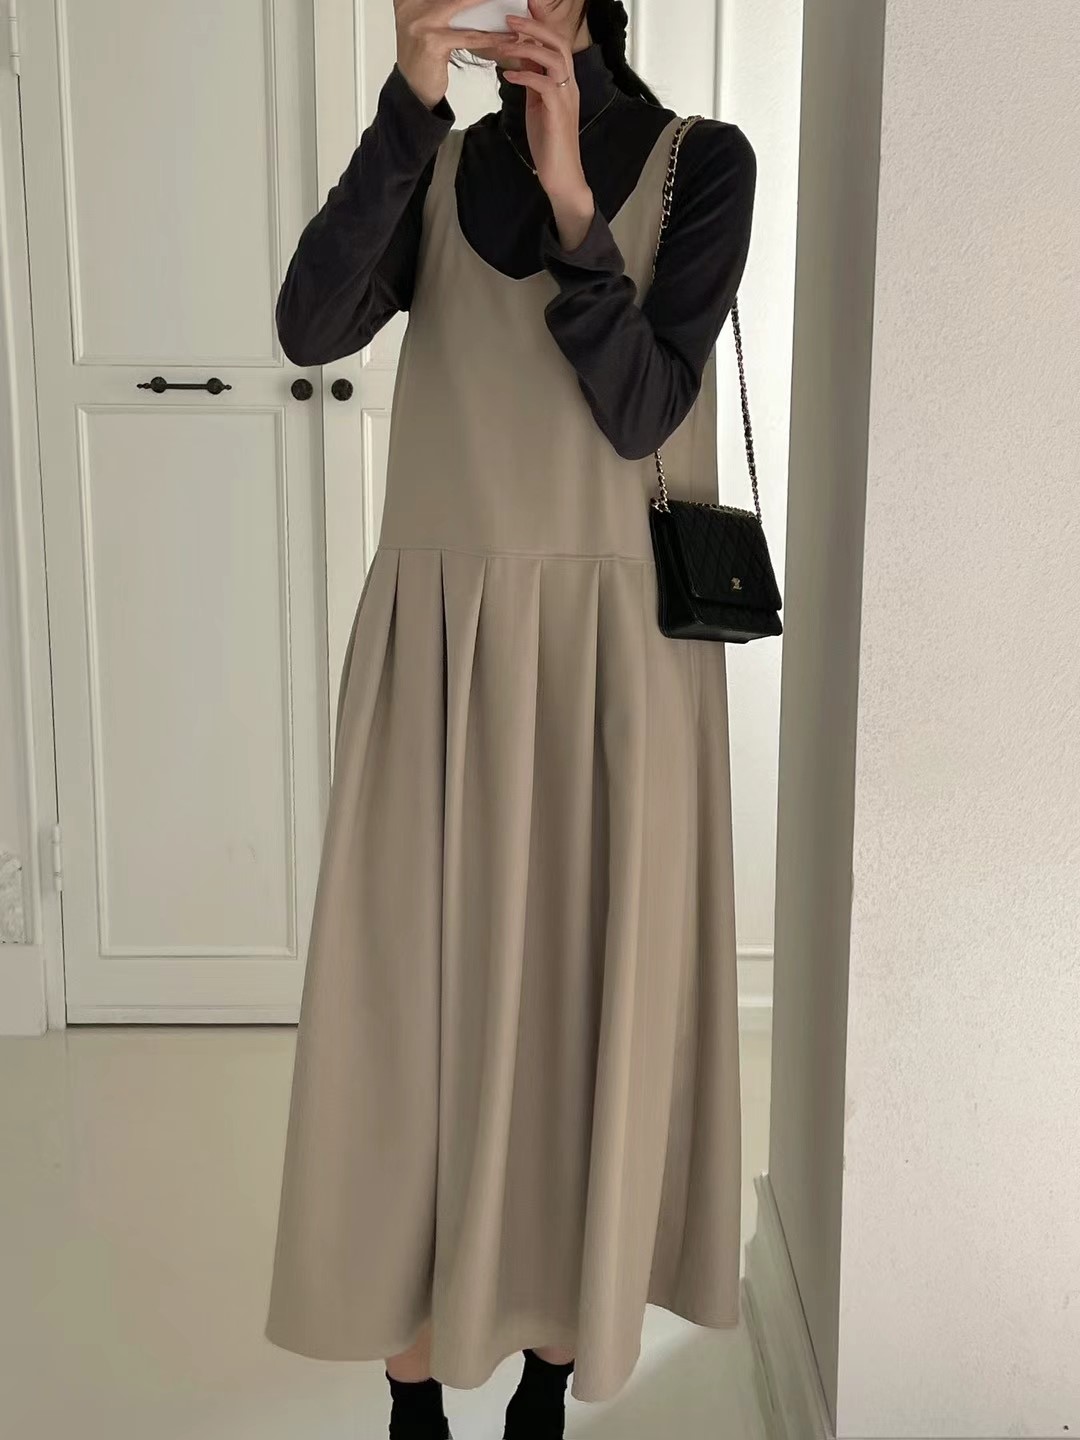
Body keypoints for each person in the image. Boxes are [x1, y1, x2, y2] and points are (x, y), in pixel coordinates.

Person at [264, 0, 756, 1434]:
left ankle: (550, 1360)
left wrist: (572, 204)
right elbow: (308, 324)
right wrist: (408, 102)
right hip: (441, 651)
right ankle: (413, 1374)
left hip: (611, 658)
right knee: (414, 1007)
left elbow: (643, 409)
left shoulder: (704, 163)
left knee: (578, 1002)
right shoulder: (429, 162)